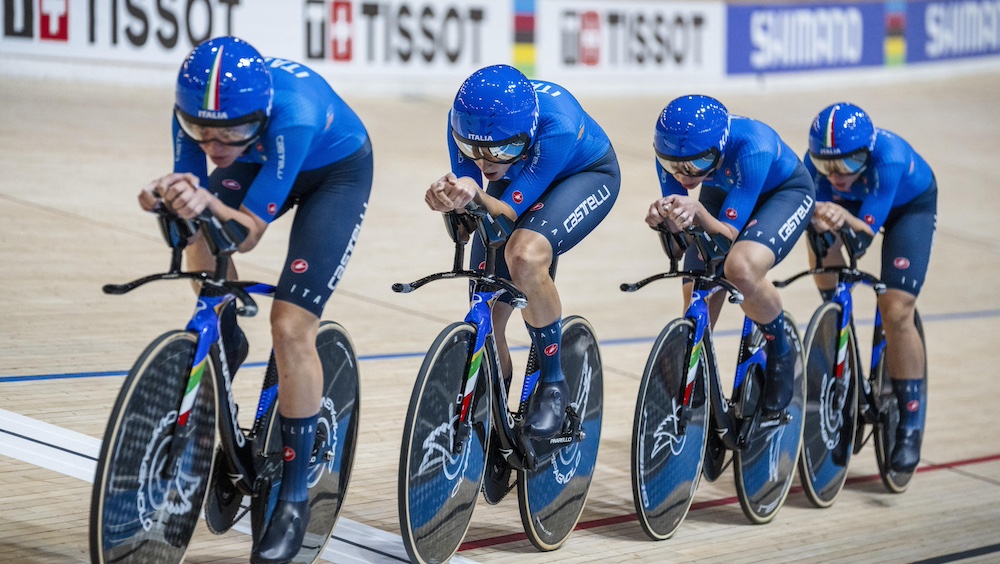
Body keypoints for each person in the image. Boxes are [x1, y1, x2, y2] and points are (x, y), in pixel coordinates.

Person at [138, 36, 372, 563]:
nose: (214, 147)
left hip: (333, 174)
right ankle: (225, 331)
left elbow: (245, 234)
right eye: (200, 131)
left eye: (232, 132)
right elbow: (189, 194)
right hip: (262, 156)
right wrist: (163, 196)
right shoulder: (204, 116)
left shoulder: (294, 114)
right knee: (192, 212)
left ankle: (291, 497)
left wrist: (205, 196)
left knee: (290, 327)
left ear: (260, 115)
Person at [425, 65, 620, 444]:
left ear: (527, 134)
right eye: (472, 149)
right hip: (520, 173)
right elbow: (472, 211)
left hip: (581, 175)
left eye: (501, 149)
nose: (483, 162)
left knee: (524, 255)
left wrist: (475, 193)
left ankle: (553, 383)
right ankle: (494, 411)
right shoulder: (467, 128)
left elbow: (506, 218)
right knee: (487, 299)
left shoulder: (557, 125)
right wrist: (449, 199)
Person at [645, 95, 815, 415]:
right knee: (698, 291)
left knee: (740, 268)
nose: (682, 175)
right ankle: (698, 380)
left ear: (719, 148)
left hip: (782, 194)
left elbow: (726, 239)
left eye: (694, 166)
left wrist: (695, 212)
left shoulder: (754, 145)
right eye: (672, 166)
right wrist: (666, 221)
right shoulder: (675, 153)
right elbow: (682, 243)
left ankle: (780, 350)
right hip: (726, 188)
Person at [804, 102, 936, 473]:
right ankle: (836, 317)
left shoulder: (888, 157)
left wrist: (841, 215)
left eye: (846, 164)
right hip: (852, 207)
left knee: (895, 310)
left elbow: (862, 237)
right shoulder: (818, 166)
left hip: (906, 210)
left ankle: (909, 424)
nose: (835, 174)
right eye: (825, 164)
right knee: (818, 229)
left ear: (866, 152)